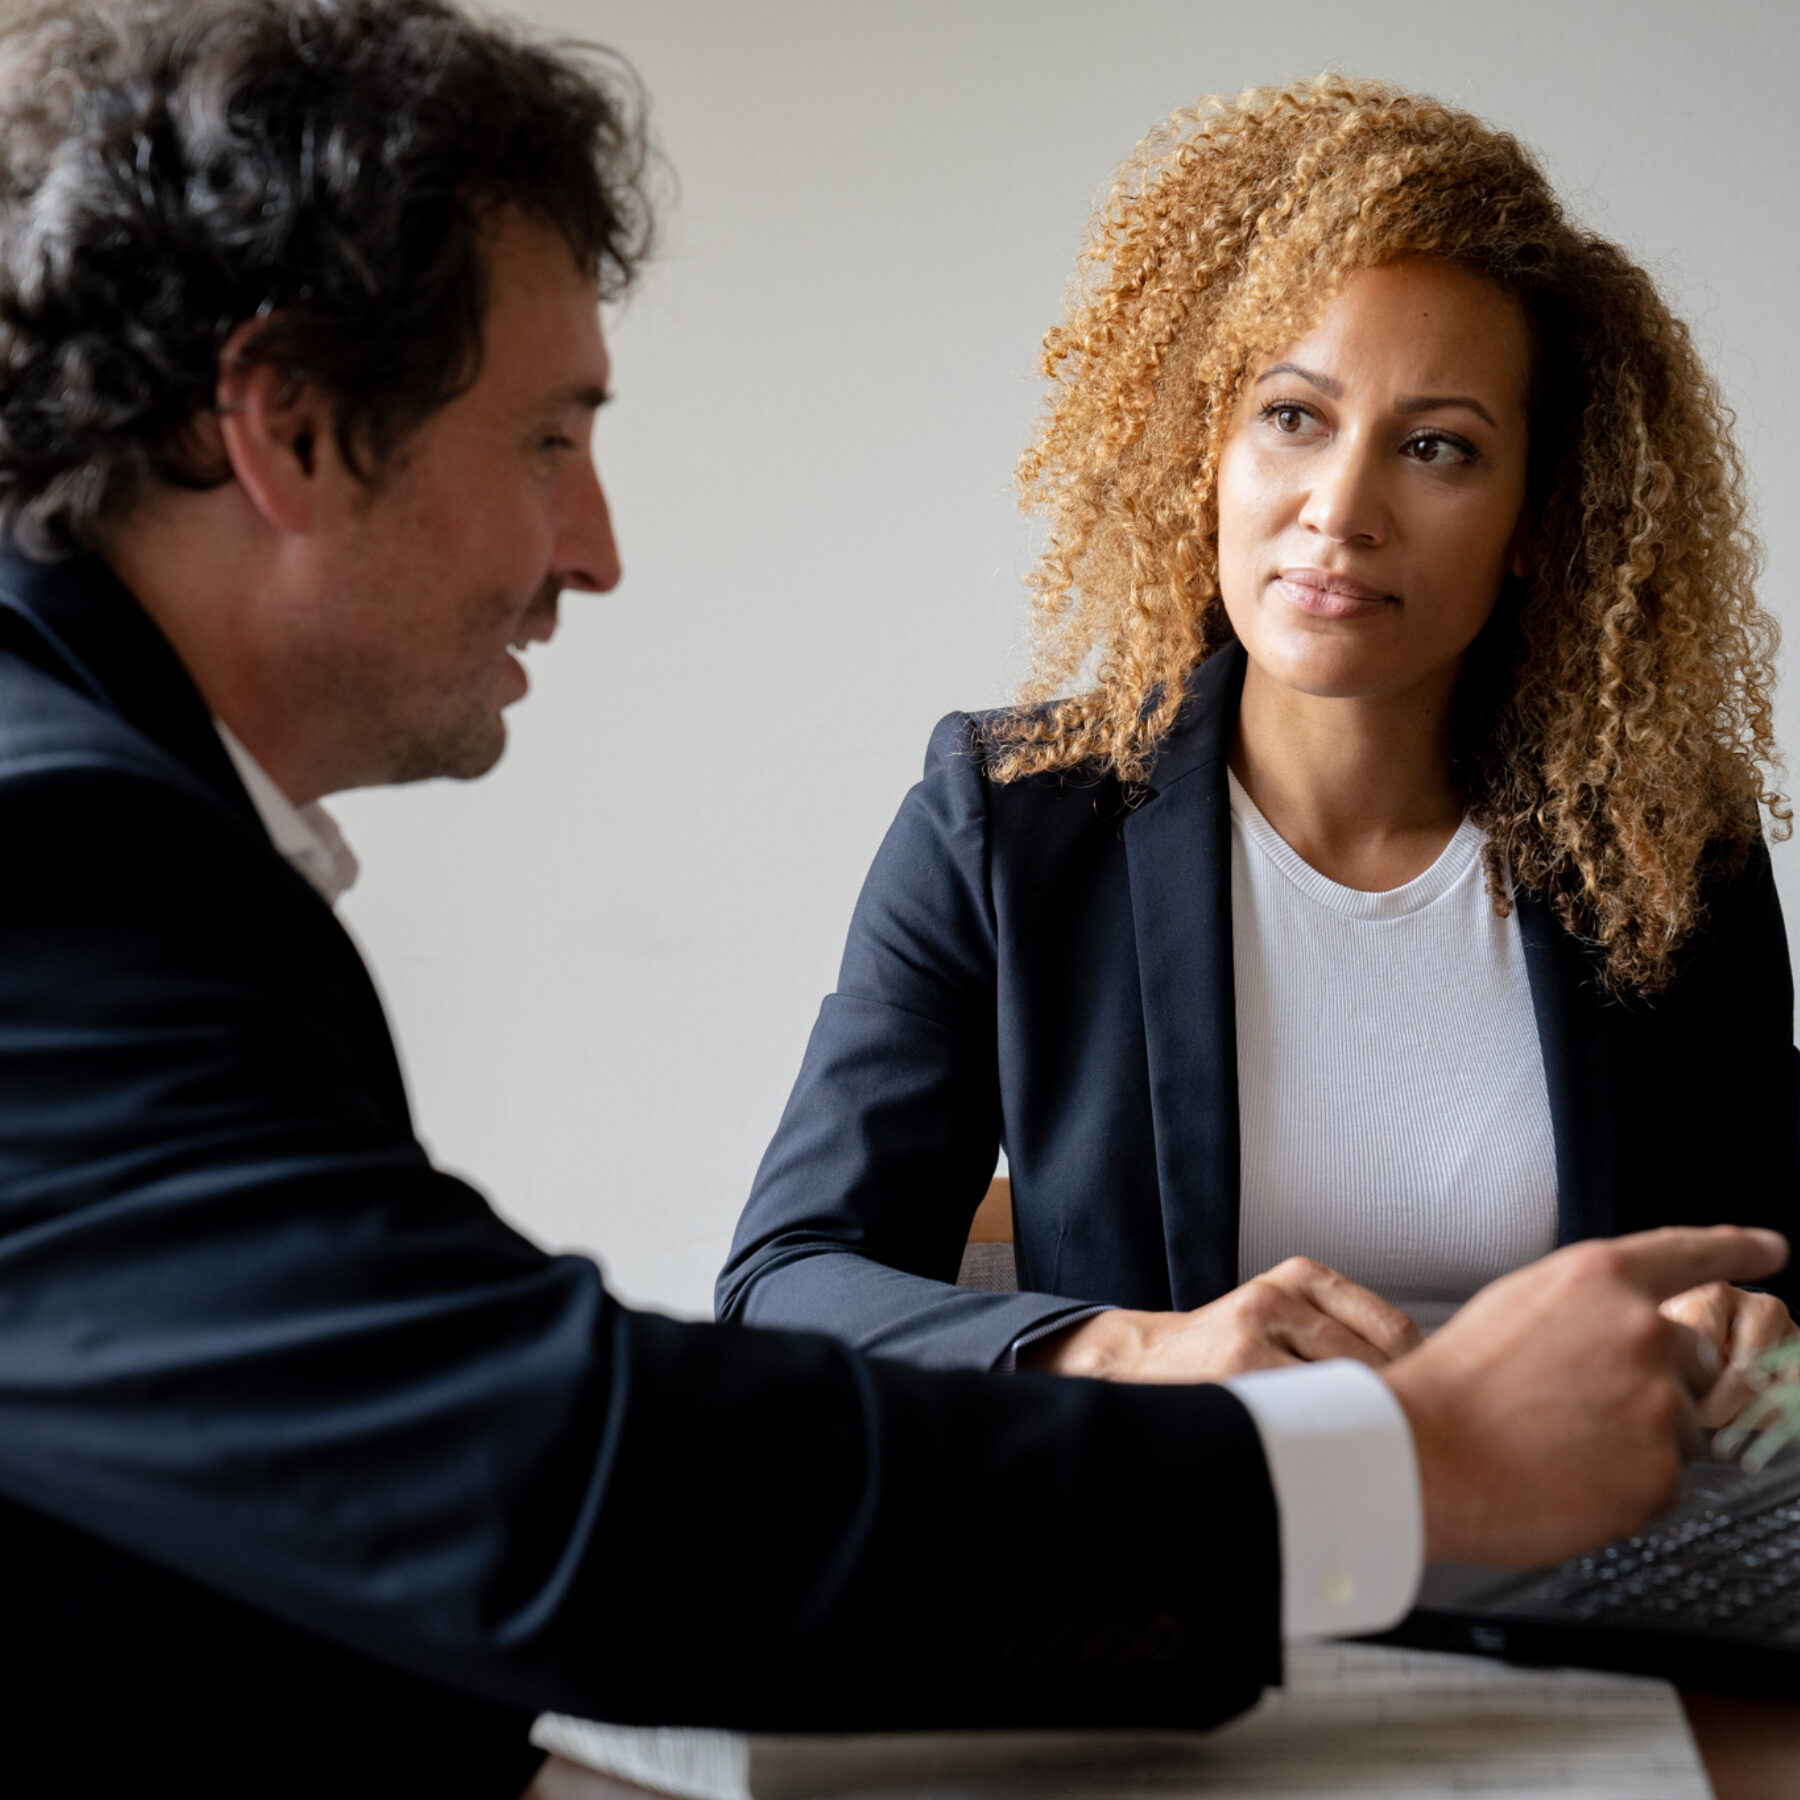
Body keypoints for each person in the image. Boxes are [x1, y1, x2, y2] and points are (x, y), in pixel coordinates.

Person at [0, 12, 1780, 1794]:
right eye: (548, 437)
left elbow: (340, 1507)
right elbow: (570, 1470)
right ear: (287, 426)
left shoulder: (115, 831)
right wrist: (1377, 1458)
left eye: (1439, 447)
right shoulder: (62, 869)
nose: (597, 548)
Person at [718, 77, 1800, 1423]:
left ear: (1539, 520)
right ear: (1209, 453)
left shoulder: (1663, 848)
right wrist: (1139, 1352)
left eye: (1438, 447)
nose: (1341, 508)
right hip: (1193, 1531)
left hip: (1592, 1537)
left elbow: (1776, 1307)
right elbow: (784, 1282)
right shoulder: (1005, 824)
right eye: (1293, 416)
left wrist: (1764, 1348)